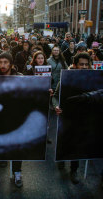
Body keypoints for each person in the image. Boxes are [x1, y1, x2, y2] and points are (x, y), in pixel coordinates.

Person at [52, 52, 93, 185]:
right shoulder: (66, 78)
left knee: (78, 143)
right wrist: (56, 106)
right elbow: (55, 96)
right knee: (65, 140)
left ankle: (74, 170)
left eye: (87, 64)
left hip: (83, 116)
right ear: (75, 65)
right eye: (82, 64)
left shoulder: (94, 78)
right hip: (67, 115)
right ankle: (61, 159)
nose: (85, 67)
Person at [0, 53, 23, 188]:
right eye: (0, 62)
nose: (3, 65)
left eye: (5, 62)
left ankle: (17, 172)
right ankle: (3, 156)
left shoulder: (20, 77)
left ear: (10, 63)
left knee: (17, 145)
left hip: (16, 117)